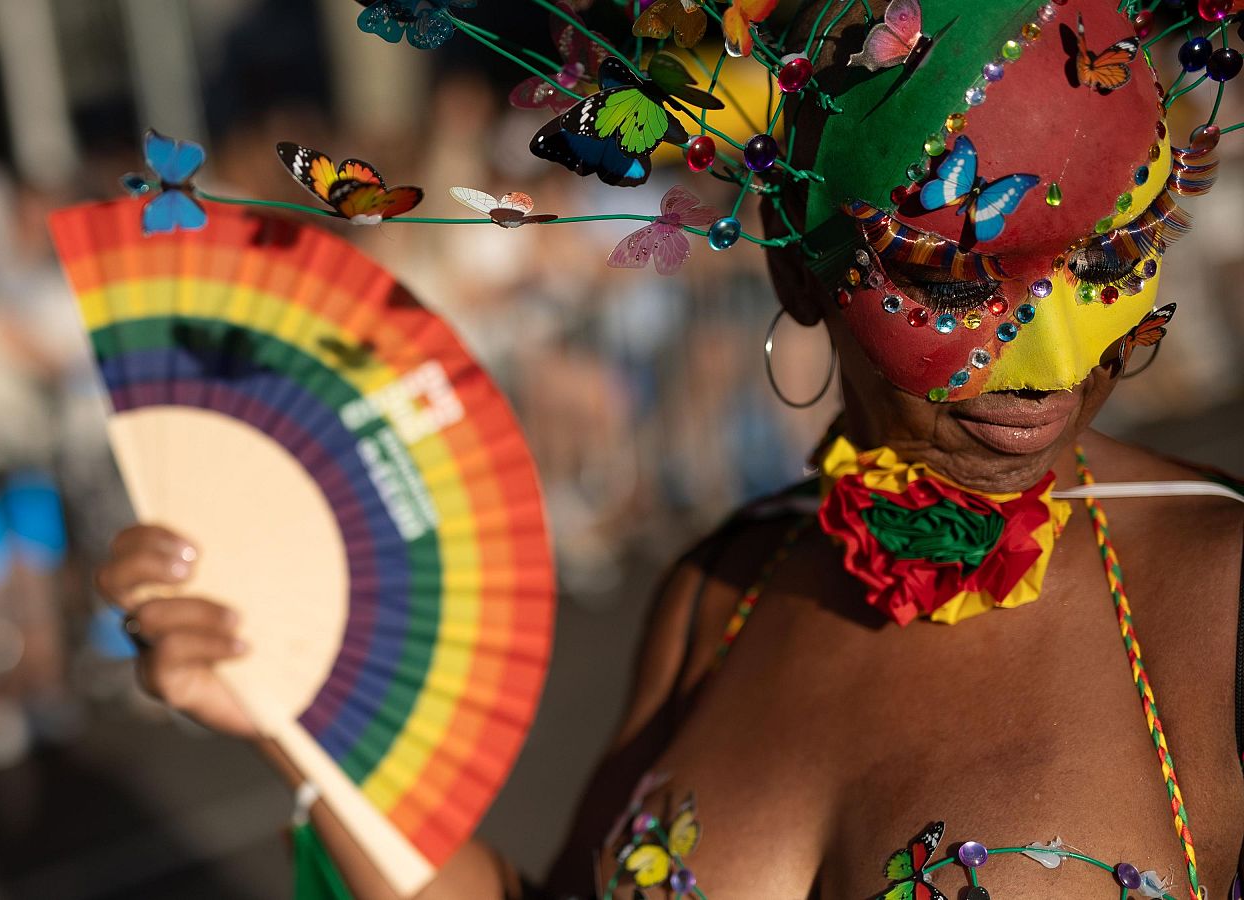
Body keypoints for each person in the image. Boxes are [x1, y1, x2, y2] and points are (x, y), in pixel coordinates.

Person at [93, 1, 1244, 897]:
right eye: (947, 272)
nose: (1045, 359)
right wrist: (286, 707)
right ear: (796, 268)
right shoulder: (717, 597)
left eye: (1104, 257)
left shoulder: (1221, 593)